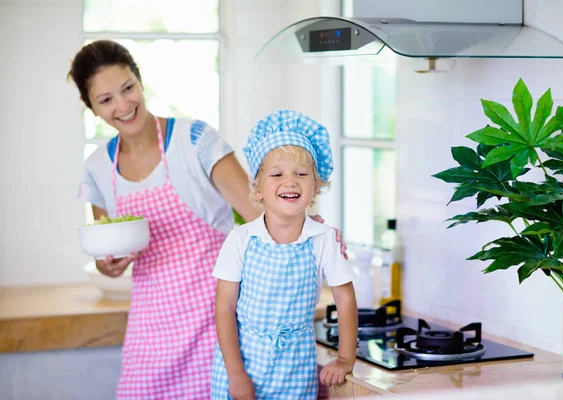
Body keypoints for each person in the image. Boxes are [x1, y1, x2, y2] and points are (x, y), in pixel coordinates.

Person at [69, 40, 346, 400]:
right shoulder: (98, 168)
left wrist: (312, 229)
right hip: (150, 329)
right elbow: (108, 256)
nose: (123, 105)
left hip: (218, 317)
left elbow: (259, 208)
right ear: (91, 107)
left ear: (139, 80)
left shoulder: (193, 139)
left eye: (128, 88)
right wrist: (110, 265)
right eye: (106, 100)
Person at [210, 110, 358, 400]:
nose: (290, 182)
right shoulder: (241, 239)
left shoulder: (324, 239)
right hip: (241, 364)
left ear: (316, 186)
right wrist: (236, 374)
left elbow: (346, 299)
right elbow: (224, 309)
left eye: (302, 174)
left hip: (295, 367)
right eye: (277, 174)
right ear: (258, 188)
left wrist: (345, 358)